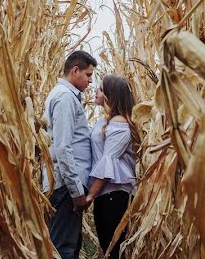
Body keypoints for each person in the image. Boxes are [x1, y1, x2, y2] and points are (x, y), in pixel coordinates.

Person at [42, 50, 97, 259]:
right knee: (63, 247)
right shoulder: (65, 98)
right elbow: (63, 148)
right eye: (88, 75)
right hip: (65, 186)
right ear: (75, 70)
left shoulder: (66, 96)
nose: (90, 81)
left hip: (65, 185)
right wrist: (77, 192)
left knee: (68, 245)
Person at [86, 74, 139, 259]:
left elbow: (107, 163)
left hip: (114, 195)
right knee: (110, 249)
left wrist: (90, 196)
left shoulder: (119, 123)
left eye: (100, 89)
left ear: (110, 95)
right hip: (107, 195)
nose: (95, 90)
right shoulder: (106, 122)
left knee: (113, 251)